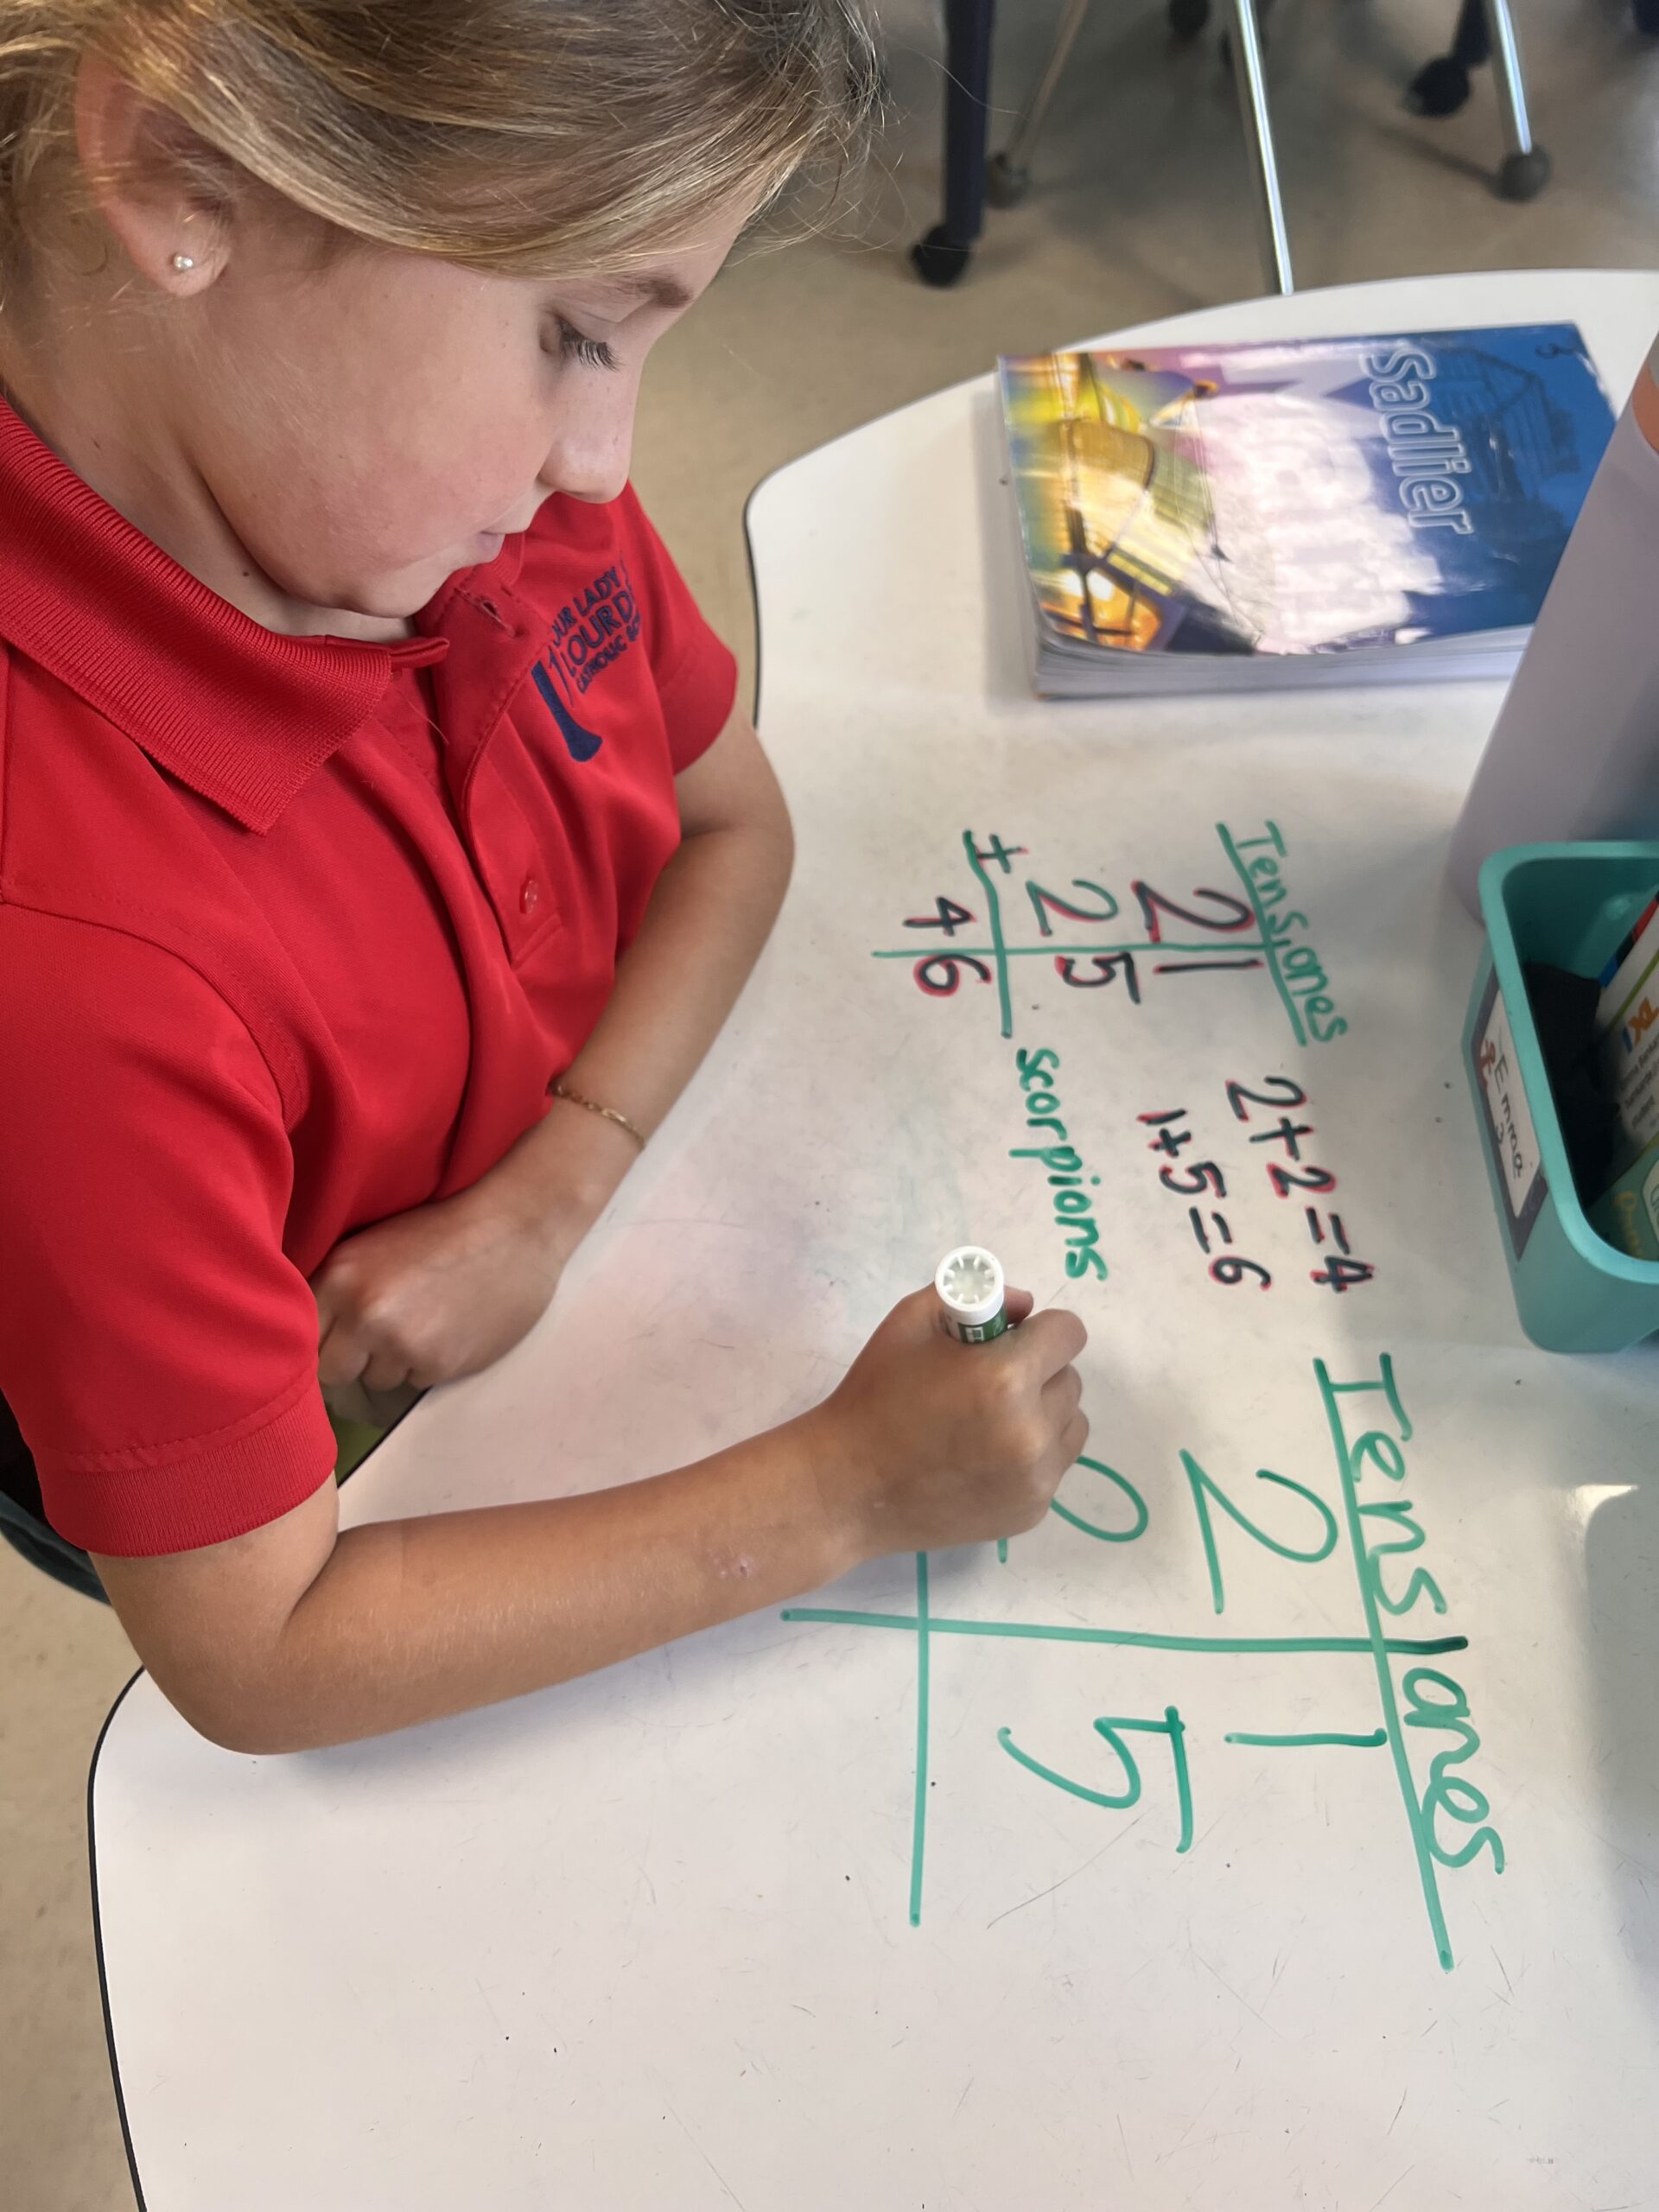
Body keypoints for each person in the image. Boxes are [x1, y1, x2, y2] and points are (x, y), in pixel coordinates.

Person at [0, 0, 1090, 1750]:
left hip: (573, 1257)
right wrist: (847, 1490)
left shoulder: (457, 507)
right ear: (185, 167)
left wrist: (554, 1187)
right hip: (338, 1467)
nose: (604, 460)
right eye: (577, 334)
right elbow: (260, 1647)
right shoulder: (73, 971)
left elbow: (735, 826)